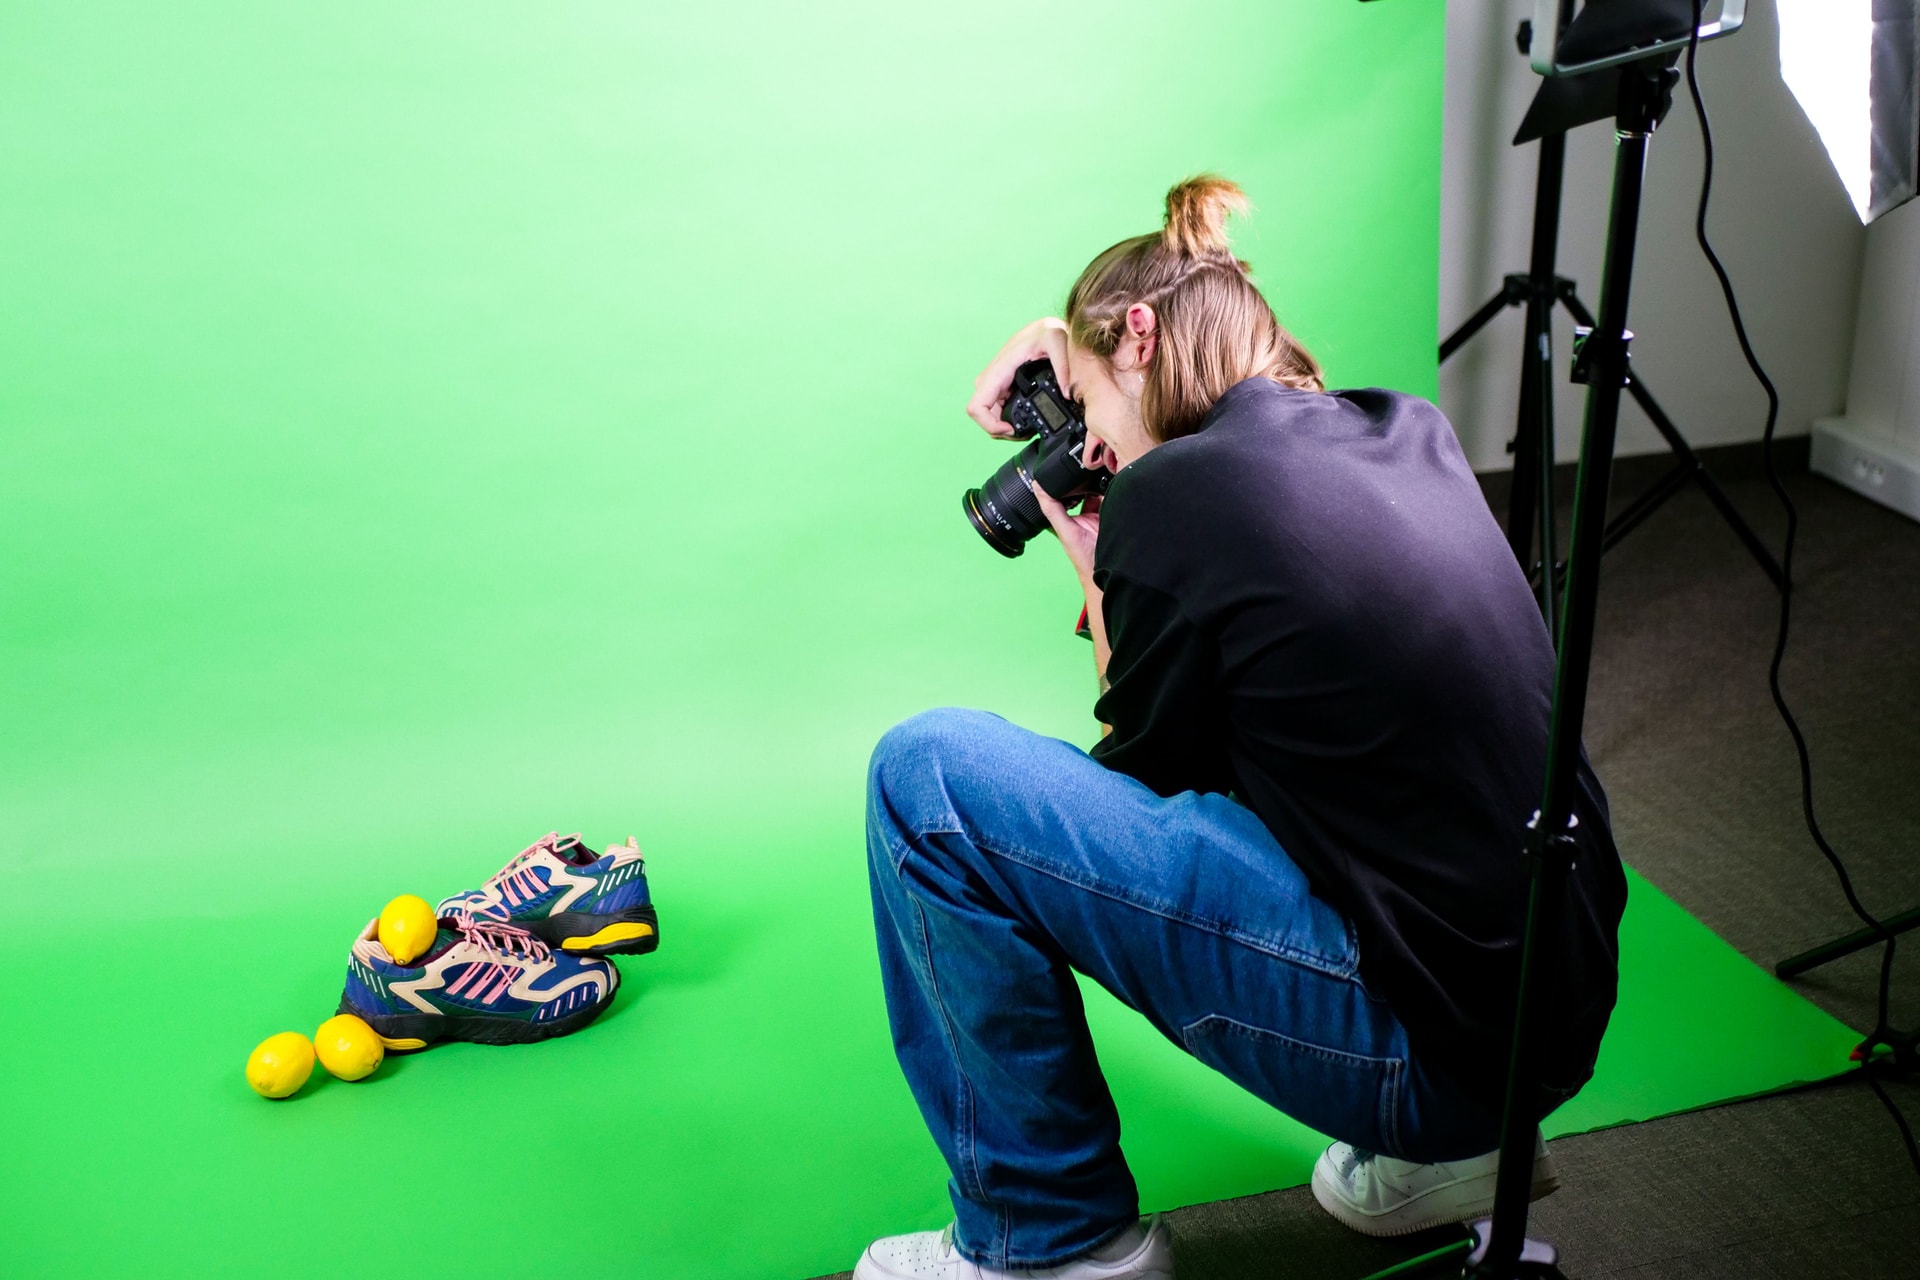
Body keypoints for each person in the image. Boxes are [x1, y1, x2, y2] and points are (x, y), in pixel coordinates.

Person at [854, 176, 1627, 1280]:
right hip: (1544, 1021)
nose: (1088, 446)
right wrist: (1055, 342)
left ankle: (1050, 1240)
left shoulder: (1178, 498)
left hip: (1427, 1048)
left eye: (1079, 404)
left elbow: (1147, 788)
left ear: (1138, 334)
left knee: (924, 779)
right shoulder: (1401, 426)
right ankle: (1455, 1161)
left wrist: (1103, 576)